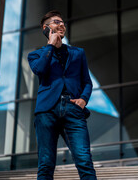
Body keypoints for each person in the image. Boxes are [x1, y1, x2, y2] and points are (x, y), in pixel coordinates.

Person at [28, 10, 97, 180]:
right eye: (56, 22)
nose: (61, 25)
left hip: (73, 109)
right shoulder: (36, 55)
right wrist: (51, 46)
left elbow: (87, 82)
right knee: (46, 163)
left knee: (84, 160)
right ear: (46, 28)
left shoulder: (78, 53)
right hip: (46, 111)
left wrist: (83, 99)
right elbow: (40, 70)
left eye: (63, 22)